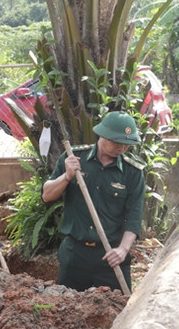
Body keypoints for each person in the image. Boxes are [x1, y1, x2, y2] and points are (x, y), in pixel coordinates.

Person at [42, 111, 145, 293]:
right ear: (102, 135)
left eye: (126, 144)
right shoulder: (73, 158)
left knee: (117, 307)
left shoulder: (133, 172)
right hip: (75, 256)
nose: (121, 148)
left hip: (111, 256)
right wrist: (67, 176)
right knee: (68, 307)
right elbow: (47, 195)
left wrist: (123, 249)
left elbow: (134, 217)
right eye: (117, 142)